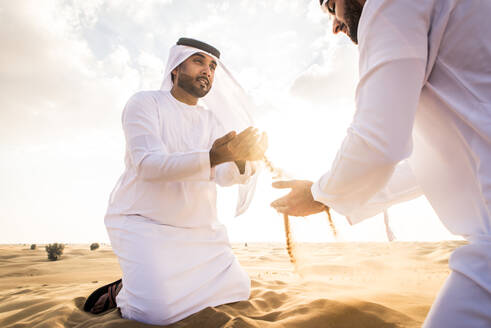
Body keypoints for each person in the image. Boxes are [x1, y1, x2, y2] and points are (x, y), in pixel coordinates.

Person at [271, 0, 491, 327]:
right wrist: (328, 198)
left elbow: (377, 142)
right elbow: (424, 170)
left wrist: (320, 194)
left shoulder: (388, 5)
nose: (335, 24)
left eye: (332, 6)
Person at [84, 37, 267, 326]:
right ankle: (121, 292)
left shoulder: (212, 121)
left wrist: (245, 160)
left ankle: (143, 281)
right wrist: (212, 156)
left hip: (198, 232)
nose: (207, 71)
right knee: (154, 313)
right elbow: (148, 165)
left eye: (212, 66)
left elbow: (223, 175)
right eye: (198, 61)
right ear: (175, 68)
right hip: (144, 223)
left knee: (239, 291)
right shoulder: (145, 103)